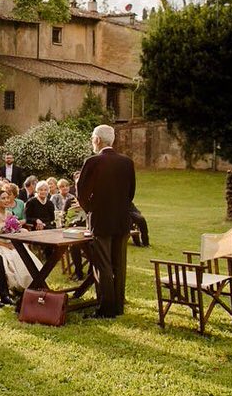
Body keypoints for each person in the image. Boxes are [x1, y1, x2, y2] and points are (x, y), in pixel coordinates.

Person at [77, 124, 136, 318]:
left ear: (97, 140)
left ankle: (107, 309)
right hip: (122, 219)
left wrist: (91, 210)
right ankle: (118, 306)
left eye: (92, 138)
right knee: (119, 265)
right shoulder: (127, 162)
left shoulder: (93, 162)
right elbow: (131, 193)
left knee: (103, 264)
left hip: (101, 220)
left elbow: (82, 194)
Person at [0, 188, 40, 292]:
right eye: (3, 198)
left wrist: (14, 237)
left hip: (9, 241)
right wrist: (4, 245)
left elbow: (12, 231)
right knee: (9, 257)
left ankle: (33, 281)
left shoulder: (9, 214)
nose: (6, 200)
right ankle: (11, 286)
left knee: (22, 253)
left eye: (7, 198)